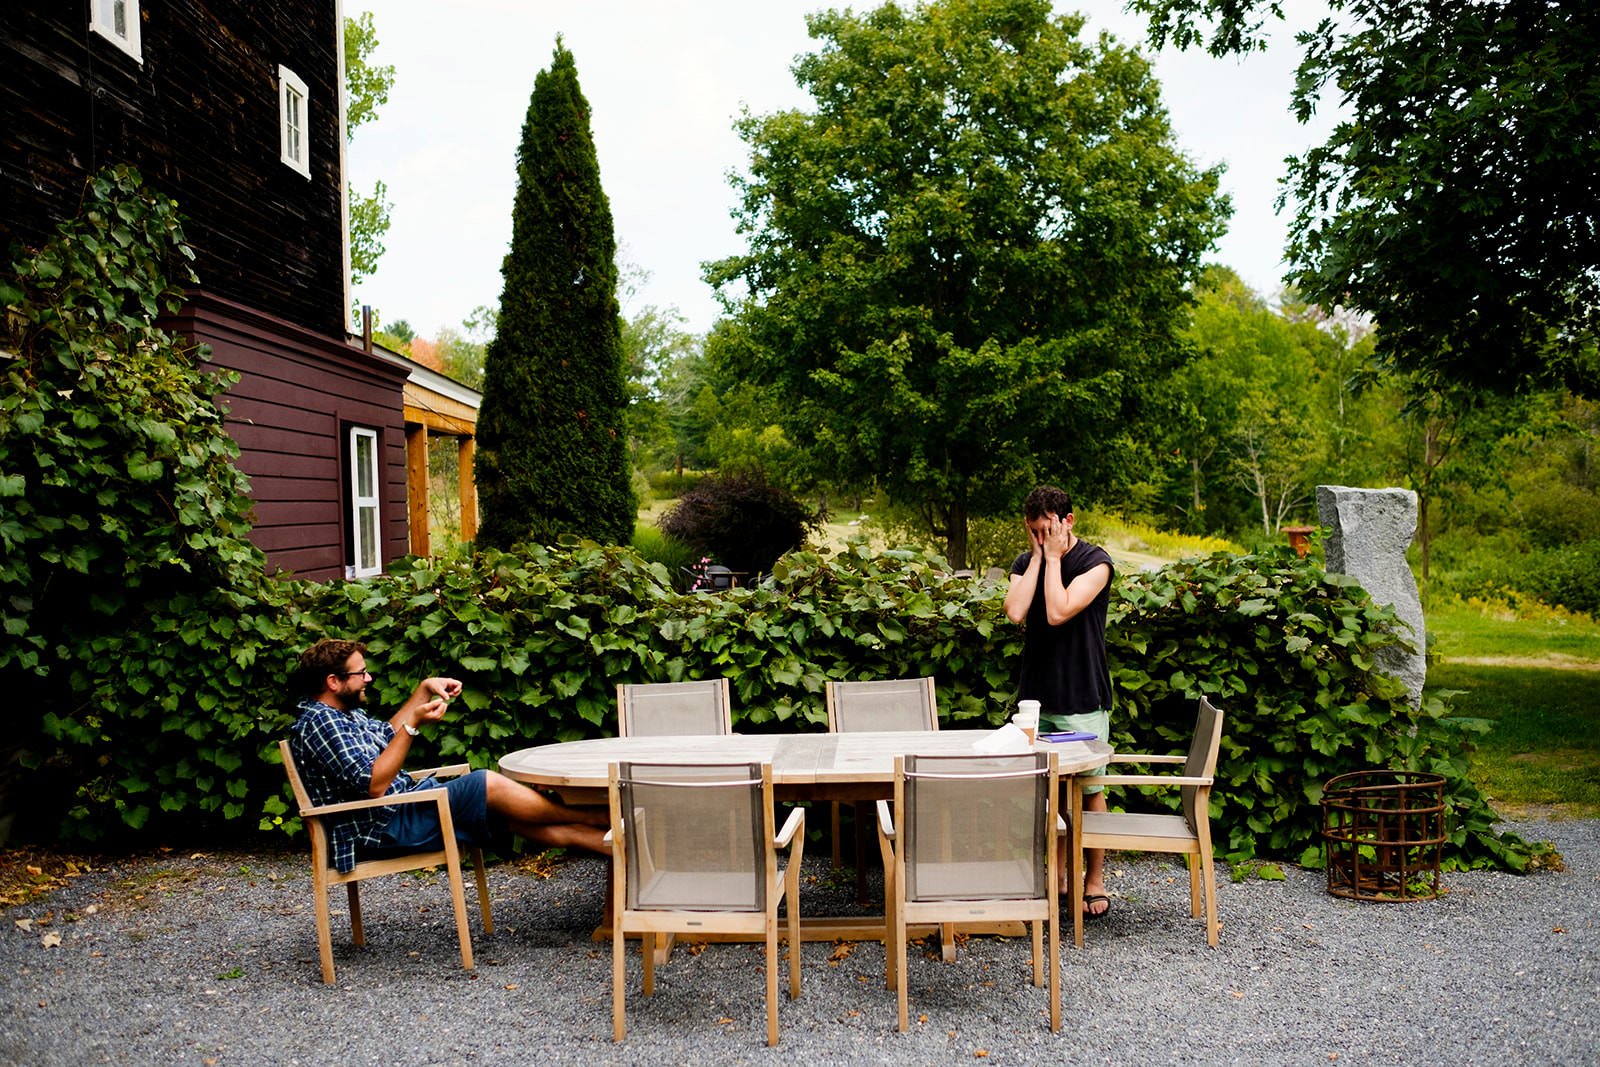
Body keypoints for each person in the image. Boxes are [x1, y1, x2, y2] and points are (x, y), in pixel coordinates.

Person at [287, 638, 608, 875]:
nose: (368, 678)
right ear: (334, 681)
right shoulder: (320, 721)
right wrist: (413, 725)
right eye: (361, 673)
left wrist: (424, 689)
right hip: (381, 828)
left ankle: (616, 845)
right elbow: (373, 785)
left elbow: (386, 737)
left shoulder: (342, 713)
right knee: (485, 784)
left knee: (506, 814)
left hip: (400, 813)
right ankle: (595, 816)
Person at [1002, 486, 1115, 918]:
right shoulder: (1026, 561)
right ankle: (1058, 877)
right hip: (1036, 698)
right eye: (1032, 530)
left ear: (1068, 520)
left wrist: (1053, 560)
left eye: (1046, 528)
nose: (1039, 536)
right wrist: (1037, 559)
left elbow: (1057, 610)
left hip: (1083, 695)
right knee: (1043, 793)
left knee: (1090, 790)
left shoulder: (1095, 562)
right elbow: (1015, 611)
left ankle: (1094, 880)